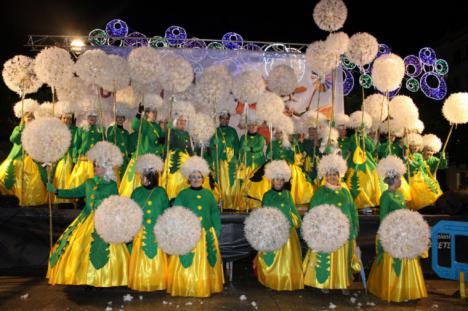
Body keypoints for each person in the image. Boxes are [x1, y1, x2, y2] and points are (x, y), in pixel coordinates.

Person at [46, 142, 129, 287]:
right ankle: (85, 279)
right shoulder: (89, 182)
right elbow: (74, 192)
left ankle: (102, 279)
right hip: (86, 218)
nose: (95, 168)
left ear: (105, 168)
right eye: (94, 165)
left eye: (97, 166)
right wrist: (56, 191)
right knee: (79, 245)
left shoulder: (111, 185)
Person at [367, 155, 428, 302]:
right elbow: (384, 217)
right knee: (393, 259)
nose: (401, 181)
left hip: (403, 232)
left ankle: (408, 290)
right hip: (392, 234)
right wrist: (389, 232)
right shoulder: (385, 196)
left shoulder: (400, 194)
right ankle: (393, 290)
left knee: (408, 257)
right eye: (399, 178)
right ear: (393, 180)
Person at [167, 156, 224, 297]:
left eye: (198, 176)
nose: (196, 179)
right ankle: (187, 285)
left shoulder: (209, 194)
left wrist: (216, 229)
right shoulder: (183, 194)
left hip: (206, 234)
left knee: (207, 260)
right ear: (188, 178)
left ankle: (204, 285)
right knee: (186, 259)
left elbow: (214, 213)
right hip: (188, 234)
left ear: (203, 178)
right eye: (193, 177)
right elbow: (177, 213)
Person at [303, 154, 360, 290]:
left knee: (343, 259)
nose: (332, 177)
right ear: (325, 175)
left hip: (344, 234)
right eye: (329, 174)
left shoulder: (345, 193)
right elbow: (313, 211)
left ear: (339, 175)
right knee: (326, 259)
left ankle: (343, 283)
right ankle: (325, 283)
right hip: (326, 234)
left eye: (335, 174)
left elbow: (353, 211)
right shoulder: (320, 192)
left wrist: (354, 228)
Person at [254, 160, 304, 290]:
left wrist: (301, 224)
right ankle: (273, 280)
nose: (279, 182)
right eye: (276, 179)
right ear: (271, 180)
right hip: (274, 232)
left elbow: (293, 209)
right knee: (273, 257)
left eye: (282, 180)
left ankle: (287, 280)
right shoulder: (267, 195)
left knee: (288, 259)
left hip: (288, 233)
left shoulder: (288, 194)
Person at [128, 154, 169, 291]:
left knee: (156, 257)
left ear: (151, 177)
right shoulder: (136, 192)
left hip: (156, 231)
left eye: (143, 175)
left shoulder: (161, 192)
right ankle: (141, 281)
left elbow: (165, 212)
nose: (140, 177)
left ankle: (158, 281)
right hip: (141, 231)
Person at [0, 99, 47, 206]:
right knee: (7, 178)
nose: (30, 119)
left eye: (32, 117)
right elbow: (13, 139)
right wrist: (21, 129)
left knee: (33, 181)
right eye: (28, 117)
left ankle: (27, 201)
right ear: (23, 119)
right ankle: (13, 200)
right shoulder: (18, 128)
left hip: (31, 160)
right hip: (17, 159)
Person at [119, 102, 165, 197]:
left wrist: (163, 138)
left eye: (156, 112)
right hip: (144, 156)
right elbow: (135, 125)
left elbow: (160, 140)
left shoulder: (157, 126)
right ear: (147, 113)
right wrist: (139, 113)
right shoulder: (144, 123)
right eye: (153, 112)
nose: (155, 114)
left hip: (154, 158)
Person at [345, 111, 382, 210]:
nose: (359, 129)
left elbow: (371, 148)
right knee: (354, 184)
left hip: (368, 165)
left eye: (362, 127)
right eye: (357, 127)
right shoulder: (352, 138)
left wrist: (363, 138)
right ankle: (356, 205)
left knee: (368, 184)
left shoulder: (366, 138)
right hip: (354, 165)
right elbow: (349, 149)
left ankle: (367, 204)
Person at [209, 111, 240, 210]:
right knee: (221, 182)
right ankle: (220, 204)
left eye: (227, 119)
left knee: (231, 182)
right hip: (219, 161)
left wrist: (236, 157)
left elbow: (237, 146)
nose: (225, 120)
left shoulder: (233, 131)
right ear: (219, 119)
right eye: (223, 118)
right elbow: (210, 148)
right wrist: (214, 143)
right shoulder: (214, 131)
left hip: (231, 162)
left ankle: (231, 205)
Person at [405, 133, 443, 210]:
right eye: (413, 145)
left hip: (419, 176)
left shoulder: (419, 156)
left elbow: (419, 165)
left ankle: (429, 205)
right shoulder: (407, 154)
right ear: (410, 146)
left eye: (417, 146)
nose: (415, 147)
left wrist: (412, 163)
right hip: (409, 177)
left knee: (425, 190)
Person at [68, 110, 104, 189]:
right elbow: (76, 144)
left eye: (94, 116)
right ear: (86, 117)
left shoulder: (100, 130)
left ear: (97, 118)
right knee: (79, 178)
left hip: (96, 161)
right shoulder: (81, 129)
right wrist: (74, 157)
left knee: (94, 181)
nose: (92, 118)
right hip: (83, 159)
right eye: (90, 116)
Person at [161, 114, 194, 200]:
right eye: (180, 120)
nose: (182, 123)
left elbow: (189, 148)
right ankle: (173, 196)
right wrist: (169, 130)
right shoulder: (172, 131)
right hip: (174, 158)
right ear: (176, 122)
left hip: (185, 157)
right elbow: (168, 145)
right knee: (176, 175)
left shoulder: (187, 134)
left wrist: (194, 158)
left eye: (184, 121)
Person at [238, 119, 266, 210]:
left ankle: (257, 205)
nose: (252, 127)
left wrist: (250, 149)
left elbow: (260, 147)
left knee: (256, 185)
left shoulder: (261, 137)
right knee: (246, 184)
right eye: (250, 125)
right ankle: (246, 205)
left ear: (257, 126)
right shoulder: (243, 137)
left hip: (257, 165)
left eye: (254, 125)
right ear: (247, 127)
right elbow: (241, 147)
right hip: (247, 164)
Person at [52, 106, 77, 204]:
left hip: (71, 156)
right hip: (60, 157)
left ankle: (69, 199)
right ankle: (60, 200)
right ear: (60, 119)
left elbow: (76, 144)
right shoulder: (56, 130)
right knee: (60, 173)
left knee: (67, 171)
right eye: (64, 118)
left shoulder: (76, 130)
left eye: (69, 118)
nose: (66, 120)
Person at [107, 106, 132, 179]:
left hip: (125, 160)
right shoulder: (111, 129)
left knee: (123, 178)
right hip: (115, 159)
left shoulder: (126, 132)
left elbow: (128, 145)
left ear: (124, 119)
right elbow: (109, 139)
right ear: (115, 118)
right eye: (118, 117)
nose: (120, 119)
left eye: (122, 117)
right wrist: (114, 128)